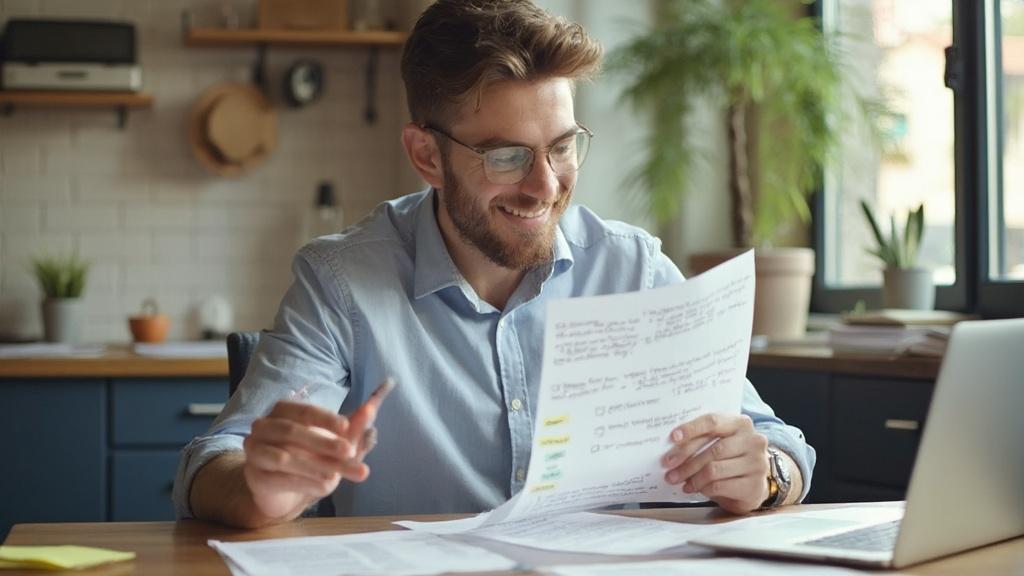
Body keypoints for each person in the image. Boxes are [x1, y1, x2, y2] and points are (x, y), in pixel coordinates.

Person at [173, 0, 815, 529]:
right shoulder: (341, 282)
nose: (544, 186)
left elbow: (776, 443)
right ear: (426, 155)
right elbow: (213, 461)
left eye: (562, 147)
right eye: (506, 157)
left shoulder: (634, 269)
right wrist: (256, 488)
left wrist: (765, 475)